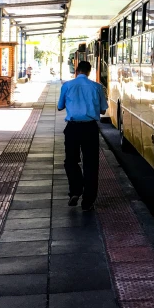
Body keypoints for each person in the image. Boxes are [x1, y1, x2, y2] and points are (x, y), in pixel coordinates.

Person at [57, 60, 108, 211]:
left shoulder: (67, 85)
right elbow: (103, 110)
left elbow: (60, 106)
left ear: (77, 71)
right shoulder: (97, 87)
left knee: (71, 161)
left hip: (72, 128)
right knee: (91, 164)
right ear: (89, 72)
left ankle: (75, 190)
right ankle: (88, 201)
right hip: (90, 129)